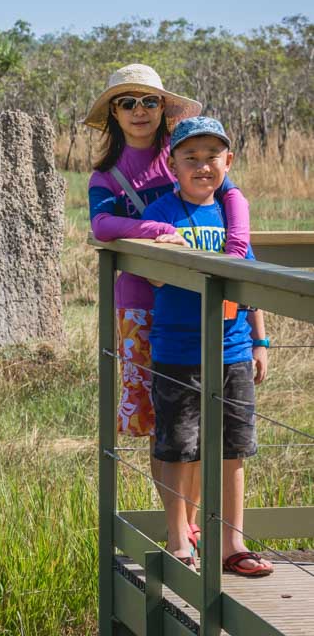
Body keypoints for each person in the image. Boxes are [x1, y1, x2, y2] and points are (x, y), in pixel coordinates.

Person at [85, 63, 265, 554]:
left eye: (149, 101)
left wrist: (240, 244)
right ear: (114, 115)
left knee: (206, 423)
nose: (140, 111)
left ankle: (200, 524)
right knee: (162, 421)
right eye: (127, 102)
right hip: (142, 309)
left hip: (204, 306)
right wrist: (158, 233)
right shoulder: (108, 174)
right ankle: (179, 525)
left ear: (164, 109)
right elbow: (101, 226)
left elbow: (233, 193)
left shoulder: (182, 155)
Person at [143, 116, 273, 576]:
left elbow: (251, 279)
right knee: (180, 447)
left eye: (211, 157)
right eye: (190, 158)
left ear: (228, 162)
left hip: (233, 349)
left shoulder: (231, 214)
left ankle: (231, 544)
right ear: (172, 164)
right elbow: (155, 273)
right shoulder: (159, 213)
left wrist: (260, 339)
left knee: (234, 448)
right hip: (179, 350)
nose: (202, 167)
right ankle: (181, 540)